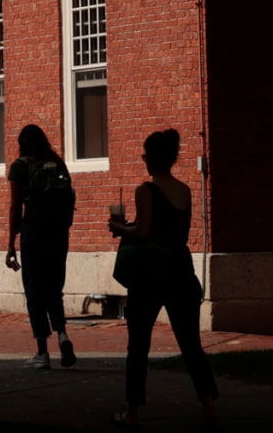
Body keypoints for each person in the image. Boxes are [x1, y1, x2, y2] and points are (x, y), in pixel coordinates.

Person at [108, 129, 219, 429]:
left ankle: (133, 412)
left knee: (139, 344)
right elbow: (173, 232)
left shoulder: (146, 190)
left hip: (150, 274)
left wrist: (120, 229)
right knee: (191, 344)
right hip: (181, 269)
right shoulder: (185, 190)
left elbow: (144, 232)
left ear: (152, 159)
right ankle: (208, 405)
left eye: (145, 155)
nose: (143, 160)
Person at [5, 124, 77, 369]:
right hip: (58, 233)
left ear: (22, 145)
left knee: (34, 289)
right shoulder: (57, 163)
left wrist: (11, 243)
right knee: (54, 286)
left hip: (33, 232)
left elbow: (16, 207)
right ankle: (63, 334)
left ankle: (42, 352)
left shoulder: (20, 167)